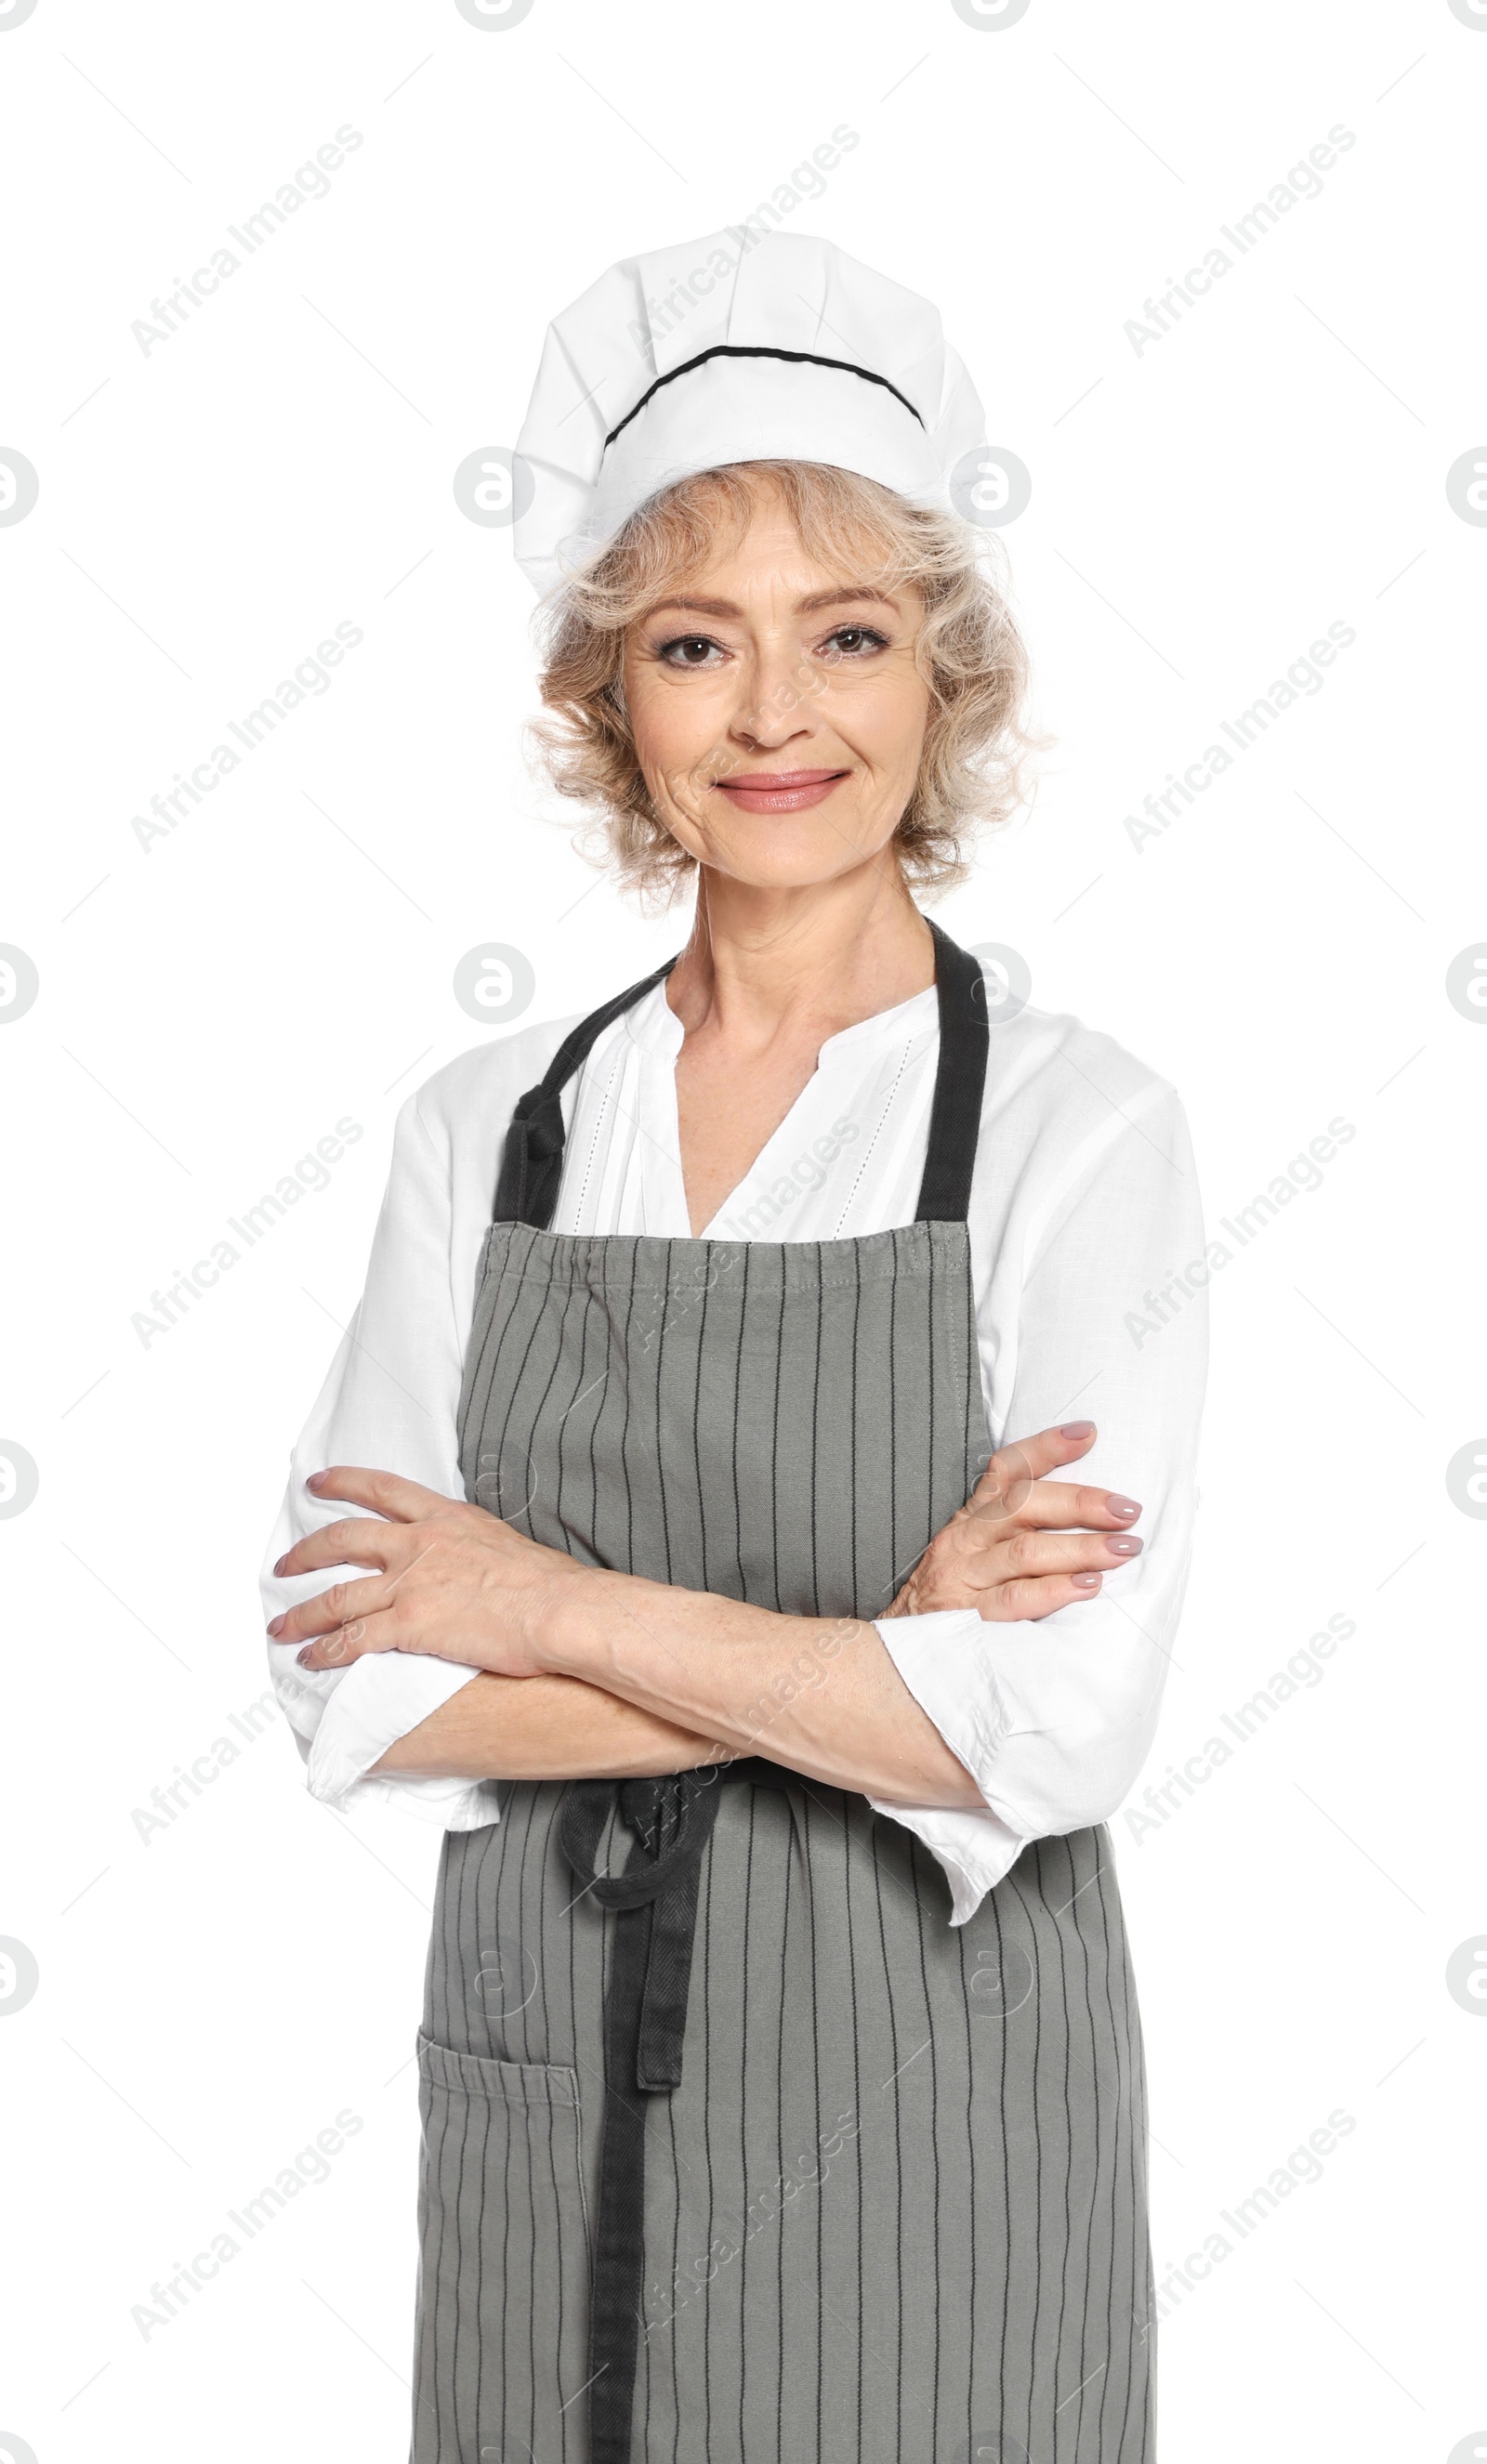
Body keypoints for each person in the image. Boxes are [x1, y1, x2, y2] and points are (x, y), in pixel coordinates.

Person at [261, 229, 1206, 2464]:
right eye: (697, 646)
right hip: (546, 2093)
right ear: (612, 706)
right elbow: (349, 1674)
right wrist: (875, 1654)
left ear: (939, 683)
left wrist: (540, 1605)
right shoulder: (485, 1134)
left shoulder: (1076, 1132)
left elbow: (1045, 1733)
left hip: (939, 2118)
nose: (777, 718)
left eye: (847, 637)